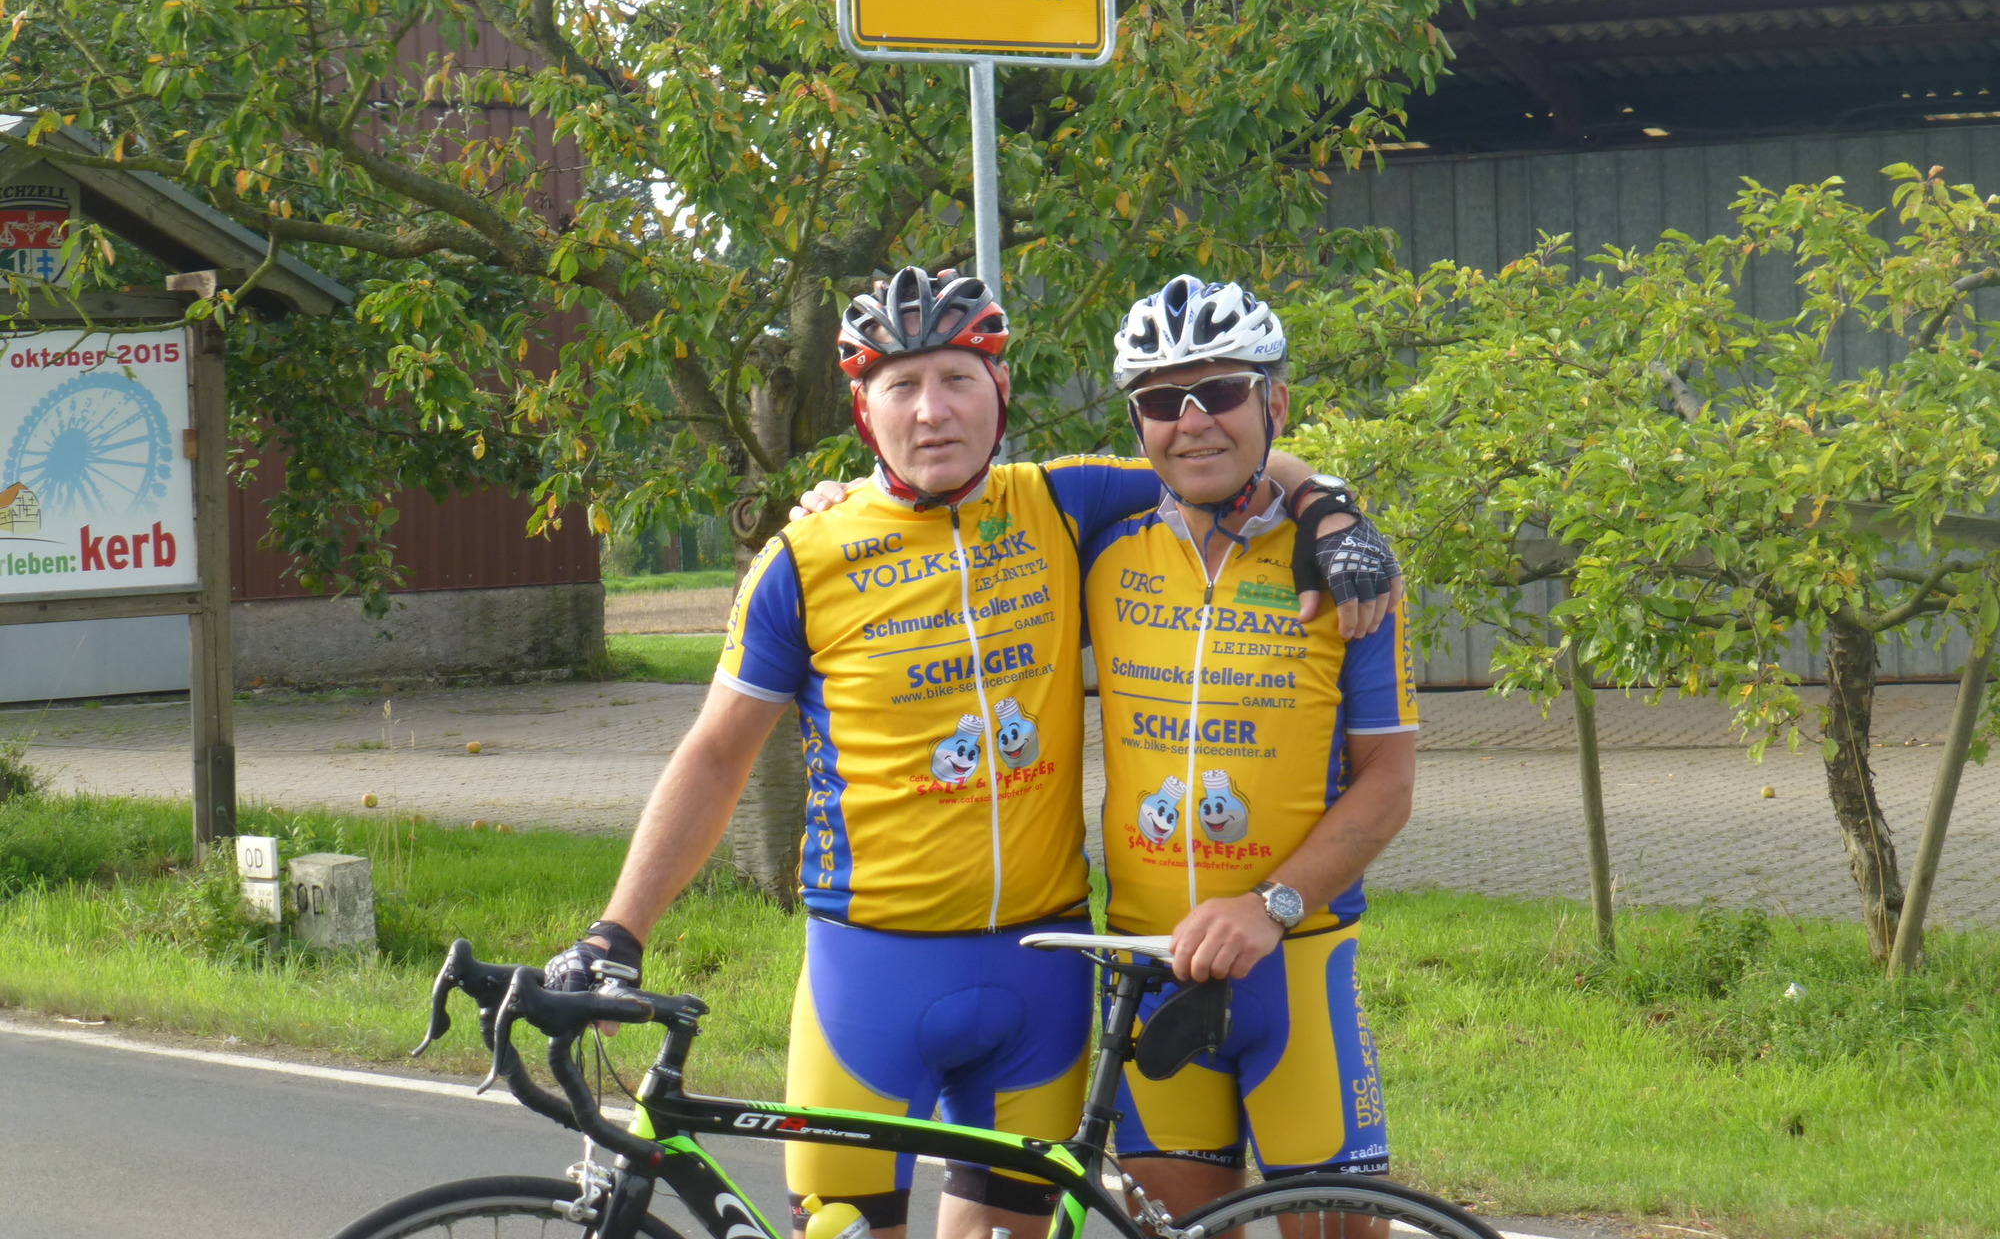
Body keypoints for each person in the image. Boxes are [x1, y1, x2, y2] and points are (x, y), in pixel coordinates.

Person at [545, 266, 1398, 1239]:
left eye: (955, 378)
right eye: (900, 386)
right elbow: (712, 758)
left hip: (1039, 973)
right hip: (867, 978)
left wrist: (1330, 507)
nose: (931, 410)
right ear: (864, 414)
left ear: (999, 391)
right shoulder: (804, 562)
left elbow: (1216, 455)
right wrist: (618, 931)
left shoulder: (1064, 506)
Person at [1089, 276, 1416, 1231]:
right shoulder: (1098, 543)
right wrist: (838, 491)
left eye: (1221, 391)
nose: (1191, 423)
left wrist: (1271, 908)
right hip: (1150, 969)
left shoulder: (1346, 568)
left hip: (1296, 963)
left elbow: (1388, 785)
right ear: (1138, 422)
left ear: (1274, 402)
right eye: (1160, 400)